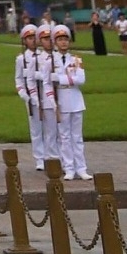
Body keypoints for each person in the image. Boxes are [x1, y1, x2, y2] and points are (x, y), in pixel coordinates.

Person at [50, 24, 90, 180]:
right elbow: (49, 81)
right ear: (55, 42)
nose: (63, 42)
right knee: (64, 137)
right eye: (60, 39)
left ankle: (81, 168)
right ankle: (69, 167)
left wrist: (61, 78)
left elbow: (81, 79)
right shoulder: (51, 60)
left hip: (75, 99)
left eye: (65, 39)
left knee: (77, 137)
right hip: (61, 100)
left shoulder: (76, 60)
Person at [15, 23, 54, 171]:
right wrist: (23, 94)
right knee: (36, 128)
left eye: (33, 37)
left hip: (46, 93)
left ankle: (51, 155)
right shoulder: (21, 59)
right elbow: (18, 79)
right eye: (29, 38)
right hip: (31, 96)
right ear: (24, 41)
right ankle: (39, 158)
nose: (32, 40)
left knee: (50, 127)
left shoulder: (43, 56)